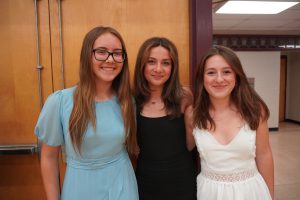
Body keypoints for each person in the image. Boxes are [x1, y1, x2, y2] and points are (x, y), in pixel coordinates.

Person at [35, 26, 139, 200]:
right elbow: (48, 157)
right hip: (80, 187)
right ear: (87, 55)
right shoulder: (60, 102)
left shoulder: (128, 101)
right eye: (101, 52)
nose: (110, 59)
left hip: (123, 185)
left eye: (117, 53)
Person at [193, 45, 274, 200]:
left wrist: (270, 196)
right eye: (211, 73)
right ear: (202, 78)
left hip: (251, 191)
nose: (219, 79)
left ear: (236, 76)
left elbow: (264, 155)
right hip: (210, 193)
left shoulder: (255, 110)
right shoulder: (193, 114)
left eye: (226, 72)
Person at [133, 37, 197, 200]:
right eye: (151, 62)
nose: (158, 69)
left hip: (182, 180)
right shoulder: (132, 100)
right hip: (145, 182)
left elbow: (190, 145)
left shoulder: (184, 97)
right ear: (142, 65)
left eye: (166, 63)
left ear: (173, 67)